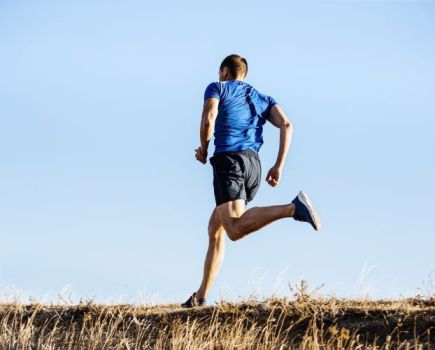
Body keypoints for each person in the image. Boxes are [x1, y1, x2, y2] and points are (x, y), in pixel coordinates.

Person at [181, 54, 321, 308]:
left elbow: (209, 117)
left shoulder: (218, 88)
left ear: (224, 71)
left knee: (233, 227)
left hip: (229, 160)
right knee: (216, 226)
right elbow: (287, 125)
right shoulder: (262, 98)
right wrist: (278, 165)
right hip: (253, 164)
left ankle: (293, 208)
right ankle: (200, 297)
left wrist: (203, 148)